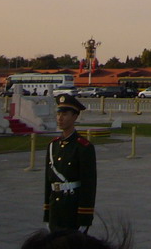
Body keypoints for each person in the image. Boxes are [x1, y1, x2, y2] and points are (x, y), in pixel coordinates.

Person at [44, 94, 97, 233]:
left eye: (65, 114)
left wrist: (85, 218)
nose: (60, 118)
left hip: (72, 209)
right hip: (56, 208)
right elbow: (48, 183)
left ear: (74, 117)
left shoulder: (84, 147)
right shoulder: (52, 145)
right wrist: (47, 214)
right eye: (59, 114)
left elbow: (89, 185)